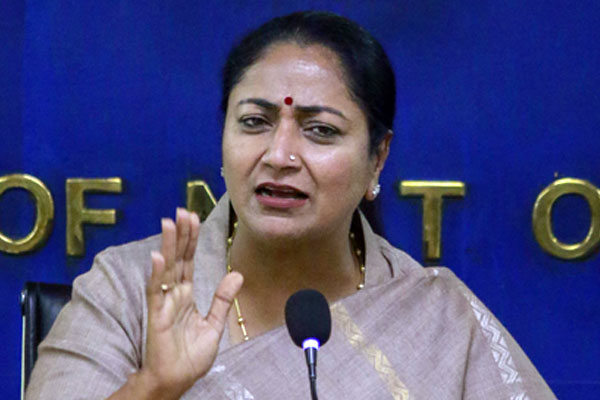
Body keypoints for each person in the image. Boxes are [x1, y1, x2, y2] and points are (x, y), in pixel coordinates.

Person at [26, 11, 556, 399]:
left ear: (377, 158)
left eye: (320, 130)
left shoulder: (436, 320)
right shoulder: (124, 292)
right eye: (254, 122)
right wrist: (156, 387)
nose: (279, 155)